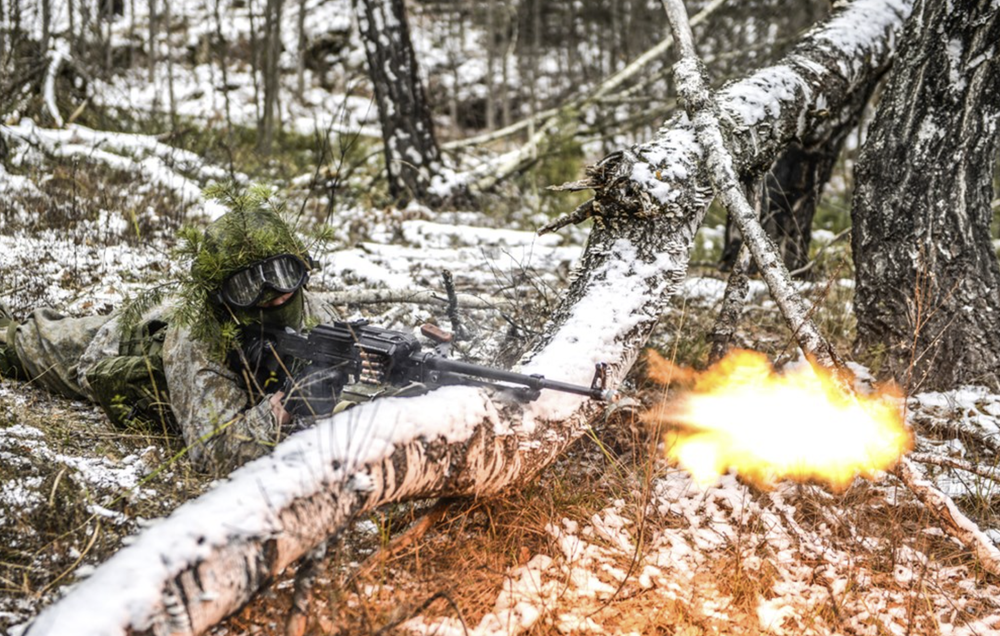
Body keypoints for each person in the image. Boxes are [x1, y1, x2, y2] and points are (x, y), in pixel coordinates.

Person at [0, 199, 340, 473]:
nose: (273, 295)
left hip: (169, 320)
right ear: (222, 297)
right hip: (124, 345)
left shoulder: (319, 316)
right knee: (19, 343)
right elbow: (214, 452)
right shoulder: (197, 336)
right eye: (247, 286)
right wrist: (283, 408)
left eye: (283, 273)